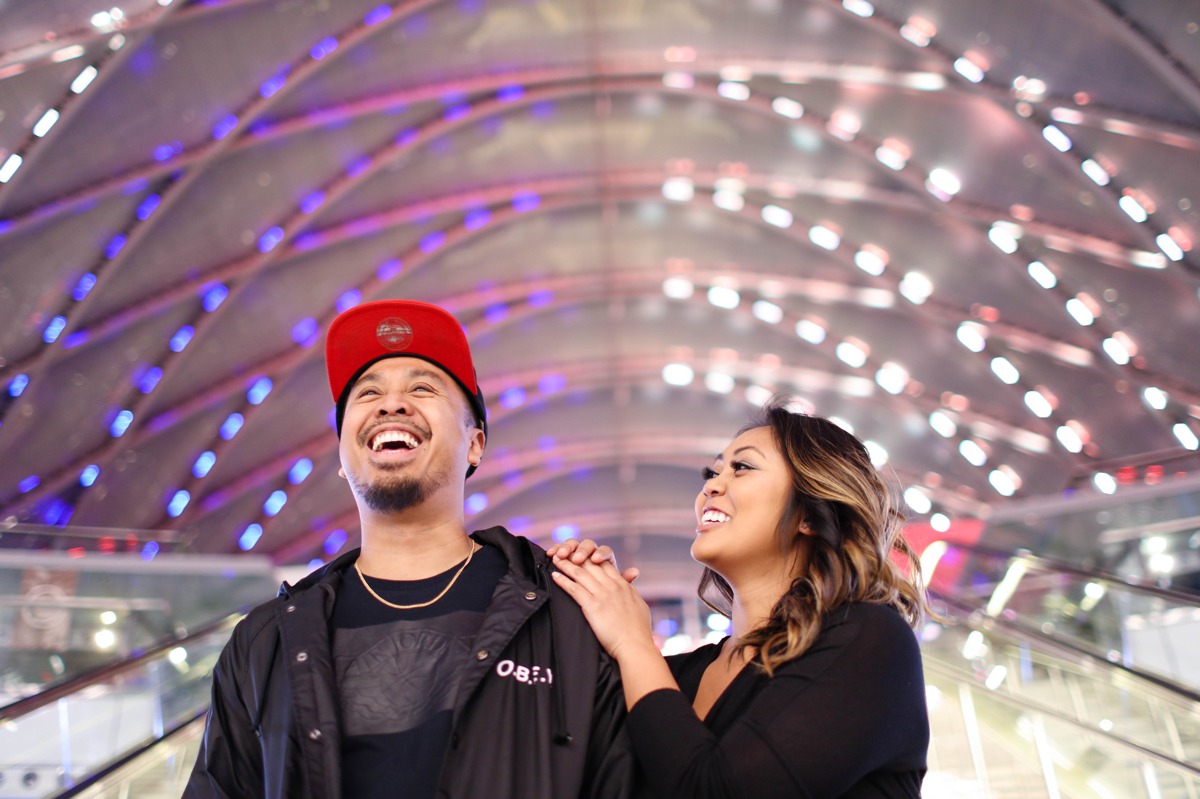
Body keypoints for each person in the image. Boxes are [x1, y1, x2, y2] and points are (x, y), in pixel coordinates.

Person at [185, 299, 633, 799]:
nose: (391, 404)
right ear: (342, 455)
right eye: (368, 392)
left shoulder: (565, 613)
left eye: (422, 387)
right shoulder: (263, 644)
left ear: (475, 444)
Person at [549, 401, 931, 798]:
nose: (710, 486)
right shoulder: (676, 676)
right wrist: (585, 596)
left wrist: (633, 642)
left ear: (809, 513)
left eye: (742, 468)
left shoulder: (868, 640)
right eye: (712, 472)